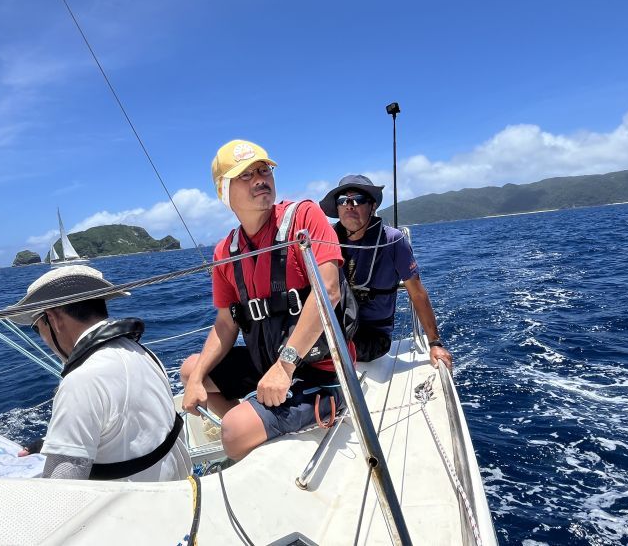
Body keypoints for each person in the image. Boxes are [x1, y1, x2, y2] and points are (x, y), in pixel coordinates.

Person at [180, 139, 356, 461]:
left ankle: (247, 429)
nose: (260, 178)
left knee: (233, 430)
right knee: (191, 371)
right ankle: (259, 428)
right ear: (224, 191)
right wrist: (195, 381)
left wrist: (284, 367)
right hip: (267, 363)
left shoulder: (304, 216)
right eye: (246, 175)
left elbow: (327, 291)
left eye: (264, 170)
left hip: (319, 371)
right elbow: (225, 323)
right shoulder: (225, 252)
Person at [11, 265, 191, 481]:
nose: (41, 336)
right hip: (177, 491)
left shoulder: (81, 382)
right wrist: (55, 445)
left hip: (135, 509)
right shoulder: (142, 352)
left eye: (36, 326)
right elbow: (127, 432)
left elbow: (60, 490)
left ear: (54, 319)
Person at [319, 175, 453, 368]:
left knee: (326, 350)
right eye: (343, 201)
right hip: (335, 327)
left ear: (372, 206)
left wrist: (435, 343)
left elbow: (417, 292)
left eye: (357, 199)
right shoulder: (326, 239)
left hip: (373, 335)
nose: (349, 205)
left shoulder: (393, 240)